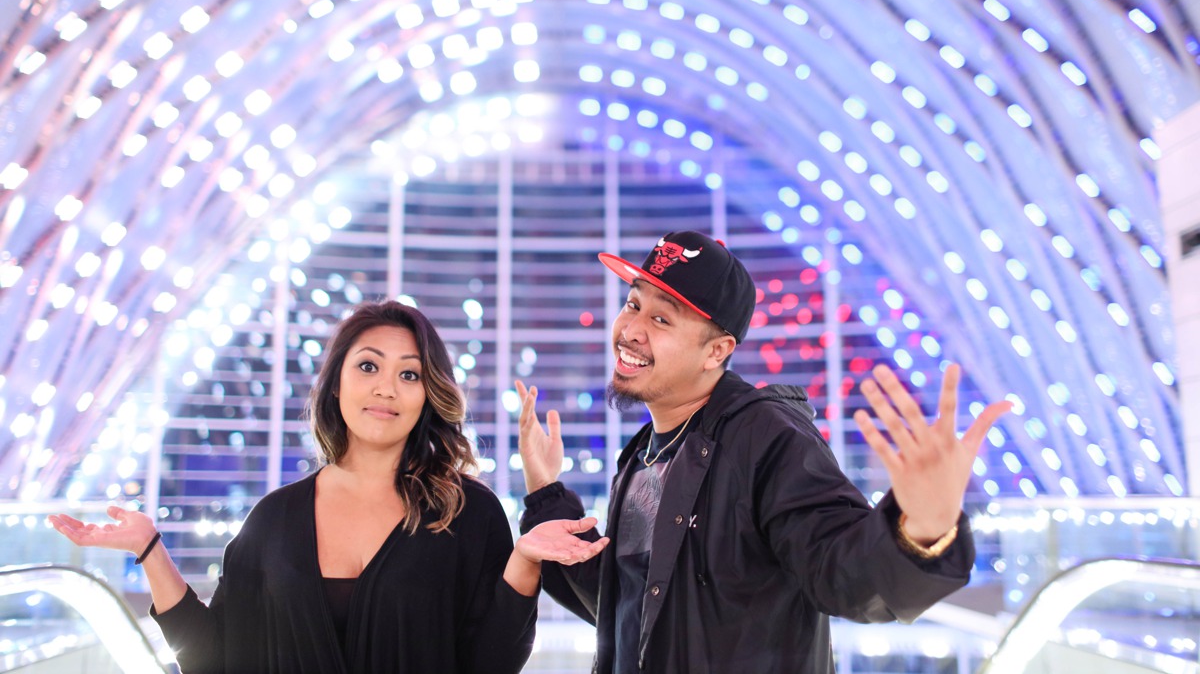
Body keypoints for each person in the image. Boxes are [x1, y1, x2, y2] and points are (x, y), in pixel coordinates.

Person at [517, 230, 1011, 673]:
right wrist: (545, 491)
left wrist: (923, 530)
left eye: (661, 319)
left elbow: (839, 570)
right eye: (632, 304)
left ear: (717, 351)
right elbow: (628, 602)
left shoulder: (766, 438)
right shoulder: (644, 454)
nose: (631, 329)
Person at [51, 300, 607, 674]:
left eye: (409, 374)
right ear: (336, 382)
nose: (386, 387)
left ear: (426, 395)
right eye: (369, 366)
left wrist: (525, 564)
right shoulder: (274, 519)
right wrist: (150, 550)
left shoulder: (466, 512)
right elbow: (213, 658)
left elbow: (490, 663)